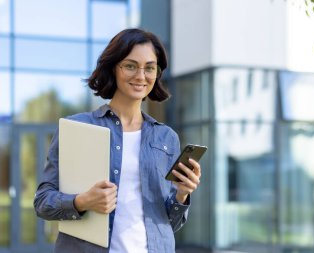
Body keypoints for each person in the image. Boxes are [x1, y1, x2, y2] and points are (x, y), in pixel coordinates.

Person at [34, 28, 202, 253]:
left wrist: (182, 194)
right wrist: (83, 201)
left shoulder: (166, 138)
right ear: (113, 67)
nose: (141, 76)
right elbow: (43, 202)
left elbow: (169, 224)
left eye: (150, 68)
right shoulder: (77, 128)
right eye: (130, 65)